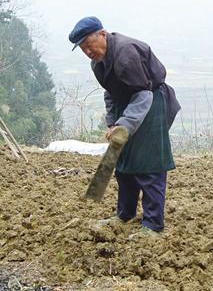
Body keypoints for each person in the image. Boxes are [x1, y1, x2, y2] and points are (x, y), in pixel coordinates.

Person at [68, 16, 180, 235]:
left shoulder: (125, 54)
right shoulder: (98, 64)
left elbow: (143, 94)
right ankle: (125, 214)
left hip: (150, 101)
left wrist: (125, 125)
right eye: (84, 50)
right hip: (128, 103)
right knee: (123, 163)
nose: (89, 52)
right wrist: (113, 124)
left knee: (149, 164)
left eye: (90, 46)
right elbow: (111, 93)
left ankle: (153, 224)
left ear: (103, 34)